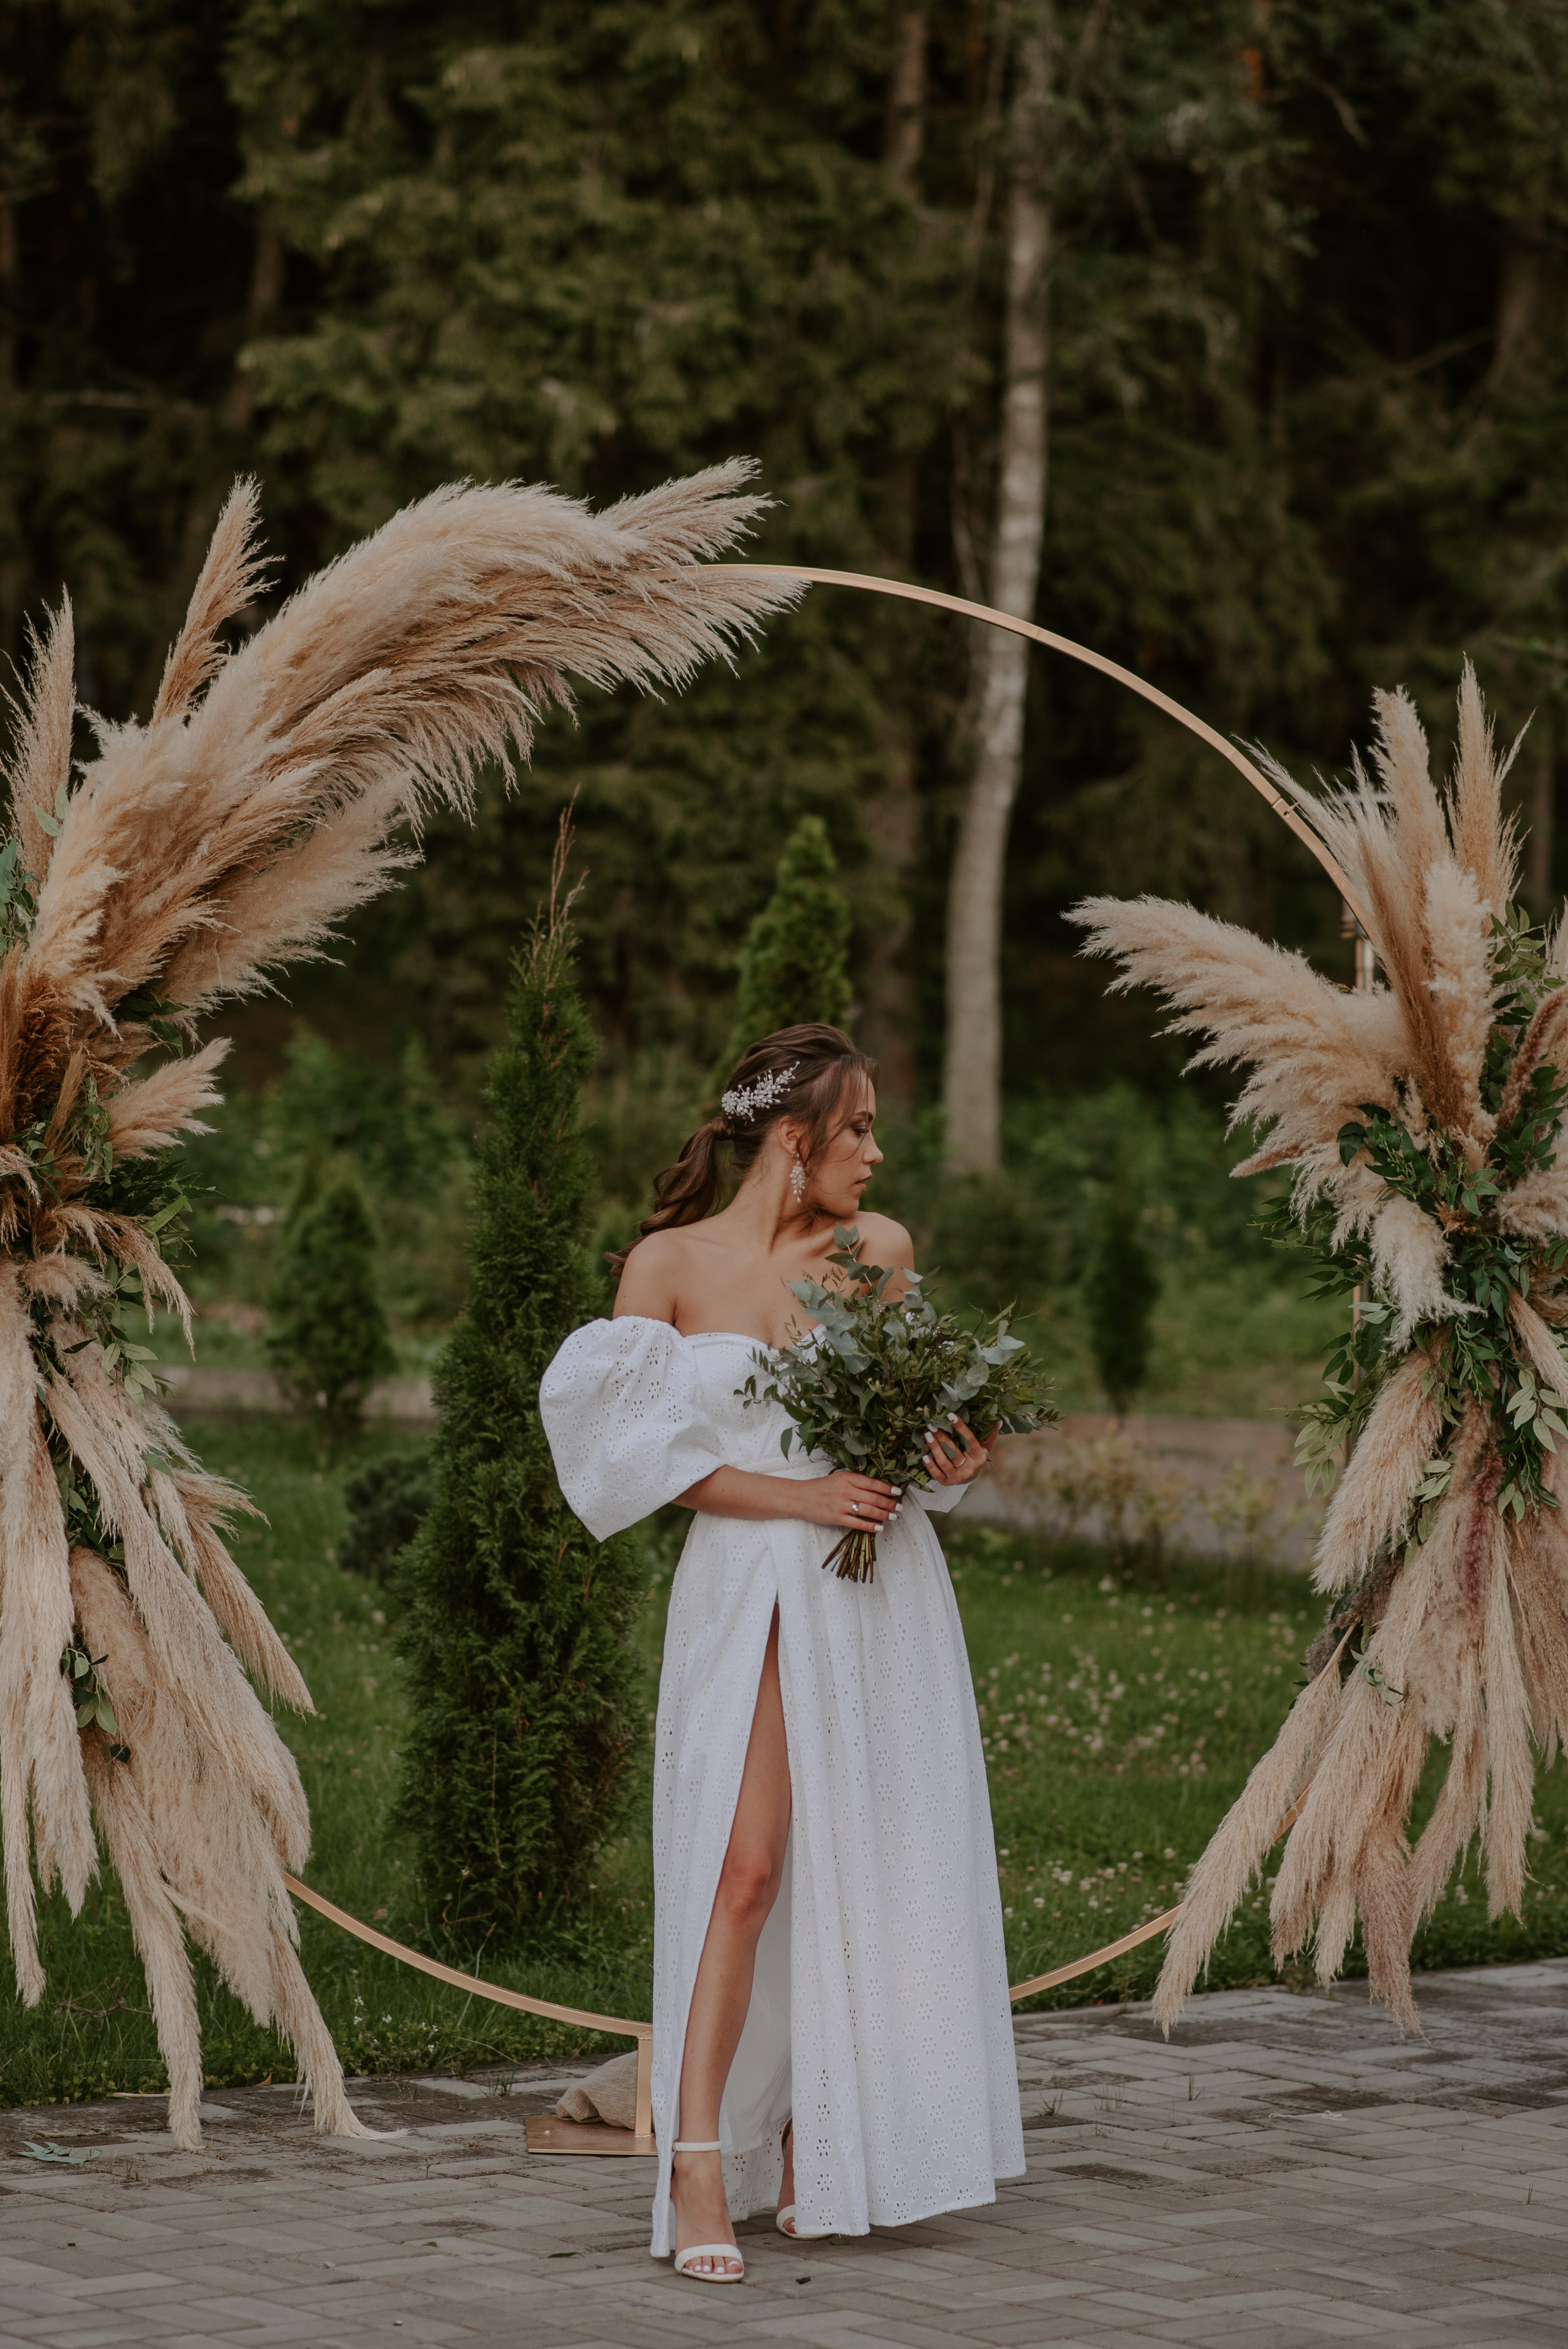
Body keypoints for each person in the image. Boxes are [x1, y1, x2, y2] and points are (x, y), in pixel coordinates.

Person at [538, 1023, 1023, 2281]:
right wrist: (798, 1499)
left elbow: (911, 1436)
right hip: (750, 1582)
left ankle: (831, 2137)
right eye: (856, 1127)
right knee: (743, 1869)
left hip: (875, 1587)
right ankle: (696, 2156)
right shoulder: (666, 1265)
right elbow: (636, 1465)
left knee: (863, 1857)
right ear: (791, 1138)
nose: (876, 1151)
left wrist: (954, 1465)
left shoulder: (879, 1255)